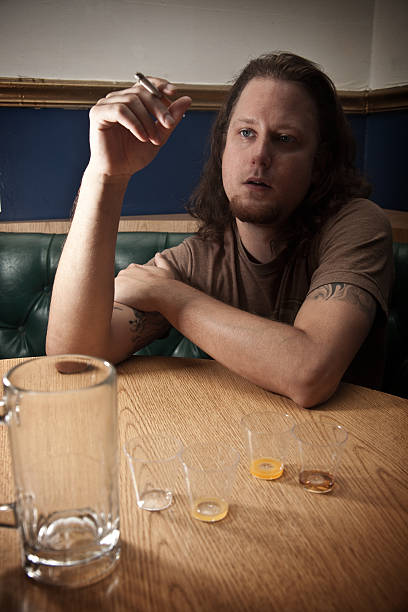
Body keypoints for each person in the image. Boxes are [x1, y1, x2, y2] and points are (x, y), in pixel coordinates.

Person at [46, 52, 394, 408]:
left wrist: (171, 296)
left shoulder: (358, 226)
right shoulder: (199, 259)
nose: (259, 155)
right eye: (246, 132)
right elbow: (74, 357)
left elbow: (309, 374)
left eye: (285, 139)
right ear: (223, 148)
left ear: (318, 163)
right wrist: (105, 175)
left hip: (349, 454)